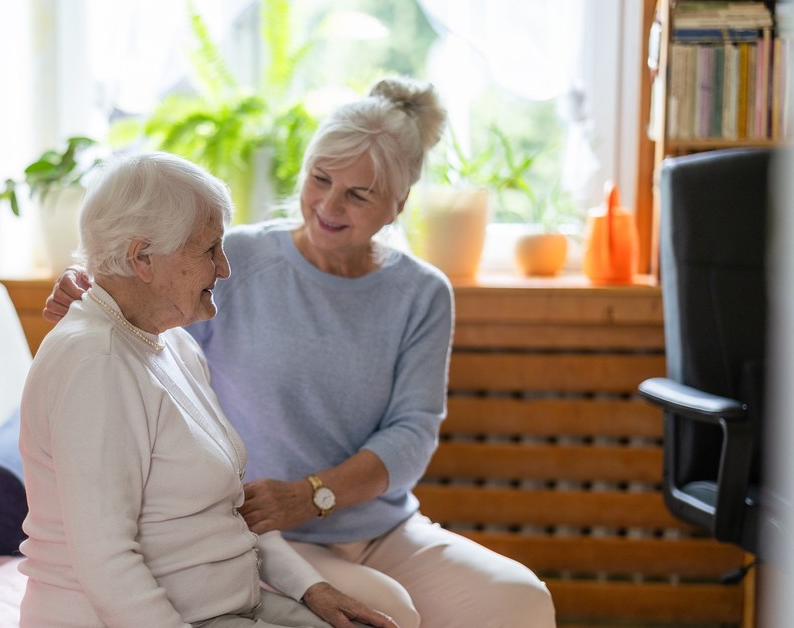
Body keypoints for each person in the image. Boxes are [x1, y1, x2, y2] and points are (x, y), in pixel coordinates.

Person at [41, 78, 557, 628]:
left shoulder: (422, 292)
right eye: (321, 179)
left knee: (520, 599)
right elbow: (150, 323)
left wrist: (313, 495)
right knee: (386, 612)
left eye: (358, 194)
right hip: (264, 532)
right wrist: (89, 286)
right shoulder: (237, 258)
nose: (329, 206)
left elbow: (413, 431)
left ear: (398, 204)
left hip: (380, 528)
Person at [17, 151, 397, 628]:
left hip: (226, 605)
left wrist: (310, 588)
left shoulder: (172, 342)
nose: (224, 268)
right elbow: (106, 562)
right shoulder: (96, 363)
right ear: (142, 258)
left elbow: (229, 507)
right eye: (209, 250)